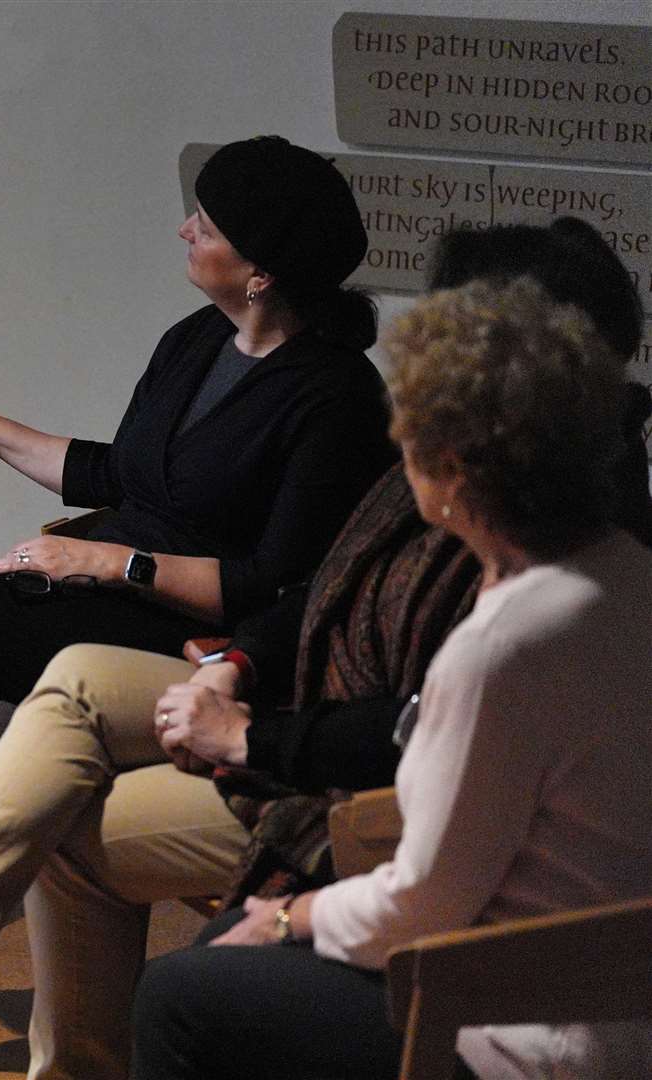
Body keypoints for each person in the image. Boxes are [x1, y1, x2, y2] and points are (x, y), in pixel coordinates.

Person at [0, 217, 651, 1079]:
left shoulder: (510, 555)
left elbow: (409, 768)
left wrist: (247, 743)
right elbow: (311, 591)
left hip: (344, 791)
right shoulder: (216, 355)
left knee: (15, 767)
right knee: (19, 668)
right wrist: (234, 668)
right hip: (272, 697)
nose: (412, 409)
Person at [0, 134, 397, 1078]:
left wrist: (110, 563)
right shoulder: (194, 341)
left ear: (264, 272)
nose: (185, 228)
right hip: (112, 588)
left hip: (196, 634)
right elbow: (123, 470)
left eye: (208, 221)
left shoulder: (337, 396)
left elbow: (272, 582)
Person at [131, 277, 652, 1079]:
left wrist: (287, 917)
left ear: (446, 469)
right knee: (221, 957)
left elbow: (423, 904)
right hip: (617, 1001)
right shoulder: (629, 577)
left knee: (179, 995)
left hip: (513, 1024)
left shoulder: (502, 647)